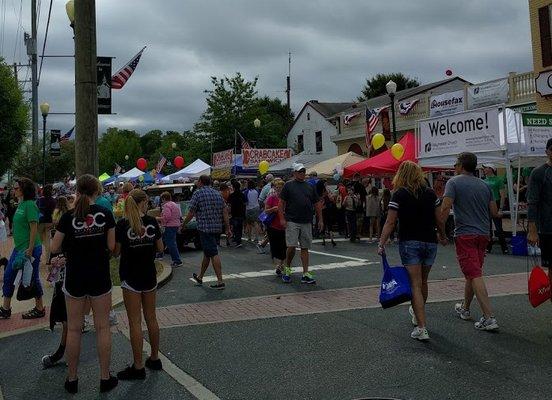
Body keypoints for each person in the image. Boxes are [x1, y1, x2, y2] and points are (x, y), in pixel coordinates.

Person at [50, 174, 118, 394]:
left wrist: (72, 246)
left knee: (74, 329)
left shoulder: (68, 217)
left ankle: (72, 379)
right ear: (97, 191)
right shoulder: (106, 214)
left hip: (75, 277)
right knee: (102, 327)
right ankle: (105, 377)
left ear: (78, 191)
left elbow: (54, 247)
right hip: (99, 275)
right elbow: (111, 245)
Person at [378, 161, 447, 341]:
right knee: (423, 282)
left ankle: (422, 327)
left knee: (414, 284)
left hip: (410, 241)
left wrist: (382, 241)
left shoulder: (399, 194)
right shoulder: (431, 193)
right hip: (429, 242)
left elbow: (390, 222)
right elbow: (439, 219)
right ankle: (418, 316)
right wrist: (443, 235)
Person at [439, 152, 501, 331]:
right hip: (483, 234)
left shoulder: (453, 182)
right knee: (473, 272)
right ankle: (465, 308)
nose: (454, 166)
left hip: (465, 234)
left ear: (461, 165)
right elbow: (494, 210)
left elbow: (445, 208)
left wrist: (441, 233)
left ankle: (489, 317)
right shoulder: (485, 185)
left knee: (474, 274)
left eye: (456, 163)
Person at [114, 189, 163, 380]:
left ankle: (138, 365)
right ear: (143, 203)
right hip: (149, 274)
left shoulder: (123, 224)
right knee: (151, 317)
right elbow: (160, 248)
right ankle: (155, 357)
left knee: (135, 321)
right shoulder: (151, 222)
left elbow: (116, 252)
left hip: (130, 275)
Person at [0, 177, 45, 320]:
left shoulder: (30, 205)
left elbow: (34, 228)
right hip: (19, 249)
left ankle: (39, 308)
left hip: (30, 249)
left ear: (24, 189)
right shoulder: (21, 204)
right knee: (8, 275)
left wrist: (30, 248)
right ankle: (5, 309)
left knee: (32, 278)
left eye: (16, 188)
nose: (14, 190)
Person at [278, 163, 323, 284]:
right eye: (299, 171)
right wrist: (282, 218)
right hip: (292, 220)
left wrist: (320, 219)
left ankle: (305, 273)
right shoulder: (288, 185)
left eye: (303, 171)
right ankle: (287, 268)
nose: (302, 173)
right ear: (294, 173)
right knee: (291, 246)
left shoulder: (309, 186)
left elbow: (317, 203)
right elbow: (281, 203)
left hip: (306, 220)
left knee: (305, 247)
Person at [185, 175, 231, 290]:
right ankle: (200, 277)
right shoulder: (217, 193)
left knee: (213, 253)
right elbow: (225, 211)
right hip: (216, 228)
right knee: (207, 252)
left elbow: (191, 212)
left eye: (198, 181)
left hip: (205, 228)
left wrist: (183, 224)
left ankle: (220, 281)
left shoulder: (198, 193)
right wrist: (227, 227)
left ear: (200, 182)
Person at [527, 138, 552, 293]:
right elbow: (532, 202)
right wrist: (532, 229)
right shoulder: (539, 173)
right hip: (548, 228)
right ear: (547, 152)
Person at [482, 164, 508, 254]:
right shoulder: (484, 181)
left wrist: (500, 208)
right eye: (484, 168)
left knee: (498, 227)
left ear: (491, 169)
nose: (484, 169)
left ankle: (504, 247)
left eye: (486, 168)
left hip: (496, 203)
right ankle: (488, 247)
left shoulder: (498, 180)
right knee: (487, 228)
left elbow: (502, 196)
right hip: (486, 204)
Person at [264, 179, 287, 274]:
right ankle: (279, 264)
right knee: (275, 247)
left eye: (280, 188)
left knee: (284, 247)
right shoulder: (271, 198)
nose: (278, 190)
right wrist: (273, 209)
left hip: (284, 226)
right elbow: (266, 211)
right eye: (277, 188)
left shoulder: (287, 199)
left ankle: (281, 264)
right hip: (273, 226)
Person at [158, 192, 182, 268]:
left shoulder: (166, 205)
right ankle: (160, 254)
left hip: (169, 226)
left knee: (171, 243)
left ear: (164, 199)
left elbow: (167, 217)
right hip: (175, 225)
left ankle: (177, 261)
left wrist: (157, 218)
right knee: (167, 241)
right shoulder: (174, 204)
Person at [37, 184, 56, 265]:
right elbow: (54, 212)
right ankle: (48, 260)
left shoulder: (40, 200)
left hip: (40, 221)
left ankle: (37, 258)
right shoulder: (53, 200)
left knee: (38, 241)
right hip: (49, 221)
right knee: (47, 241)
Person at [318, 180, 337, 247]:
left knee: (324, 225)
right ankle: (332, 240)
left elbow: (319, 204)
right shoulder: (328, 192)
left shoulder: (319, 194)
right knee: (329, 225)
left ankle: (323, 240)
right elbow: (332, 199)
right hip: (328, 210)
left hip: (323, 211)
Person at [228, 180, 246, 248]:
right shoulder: (242, 194)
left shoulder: (232, 195)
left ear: (233, 187)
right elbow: (245, 203)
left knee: (235, 228)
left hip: (234, 213)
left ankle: (238, 241)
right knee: (240, 227)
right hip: (241, 213)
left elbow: (229, 204)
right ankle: (238, 240)